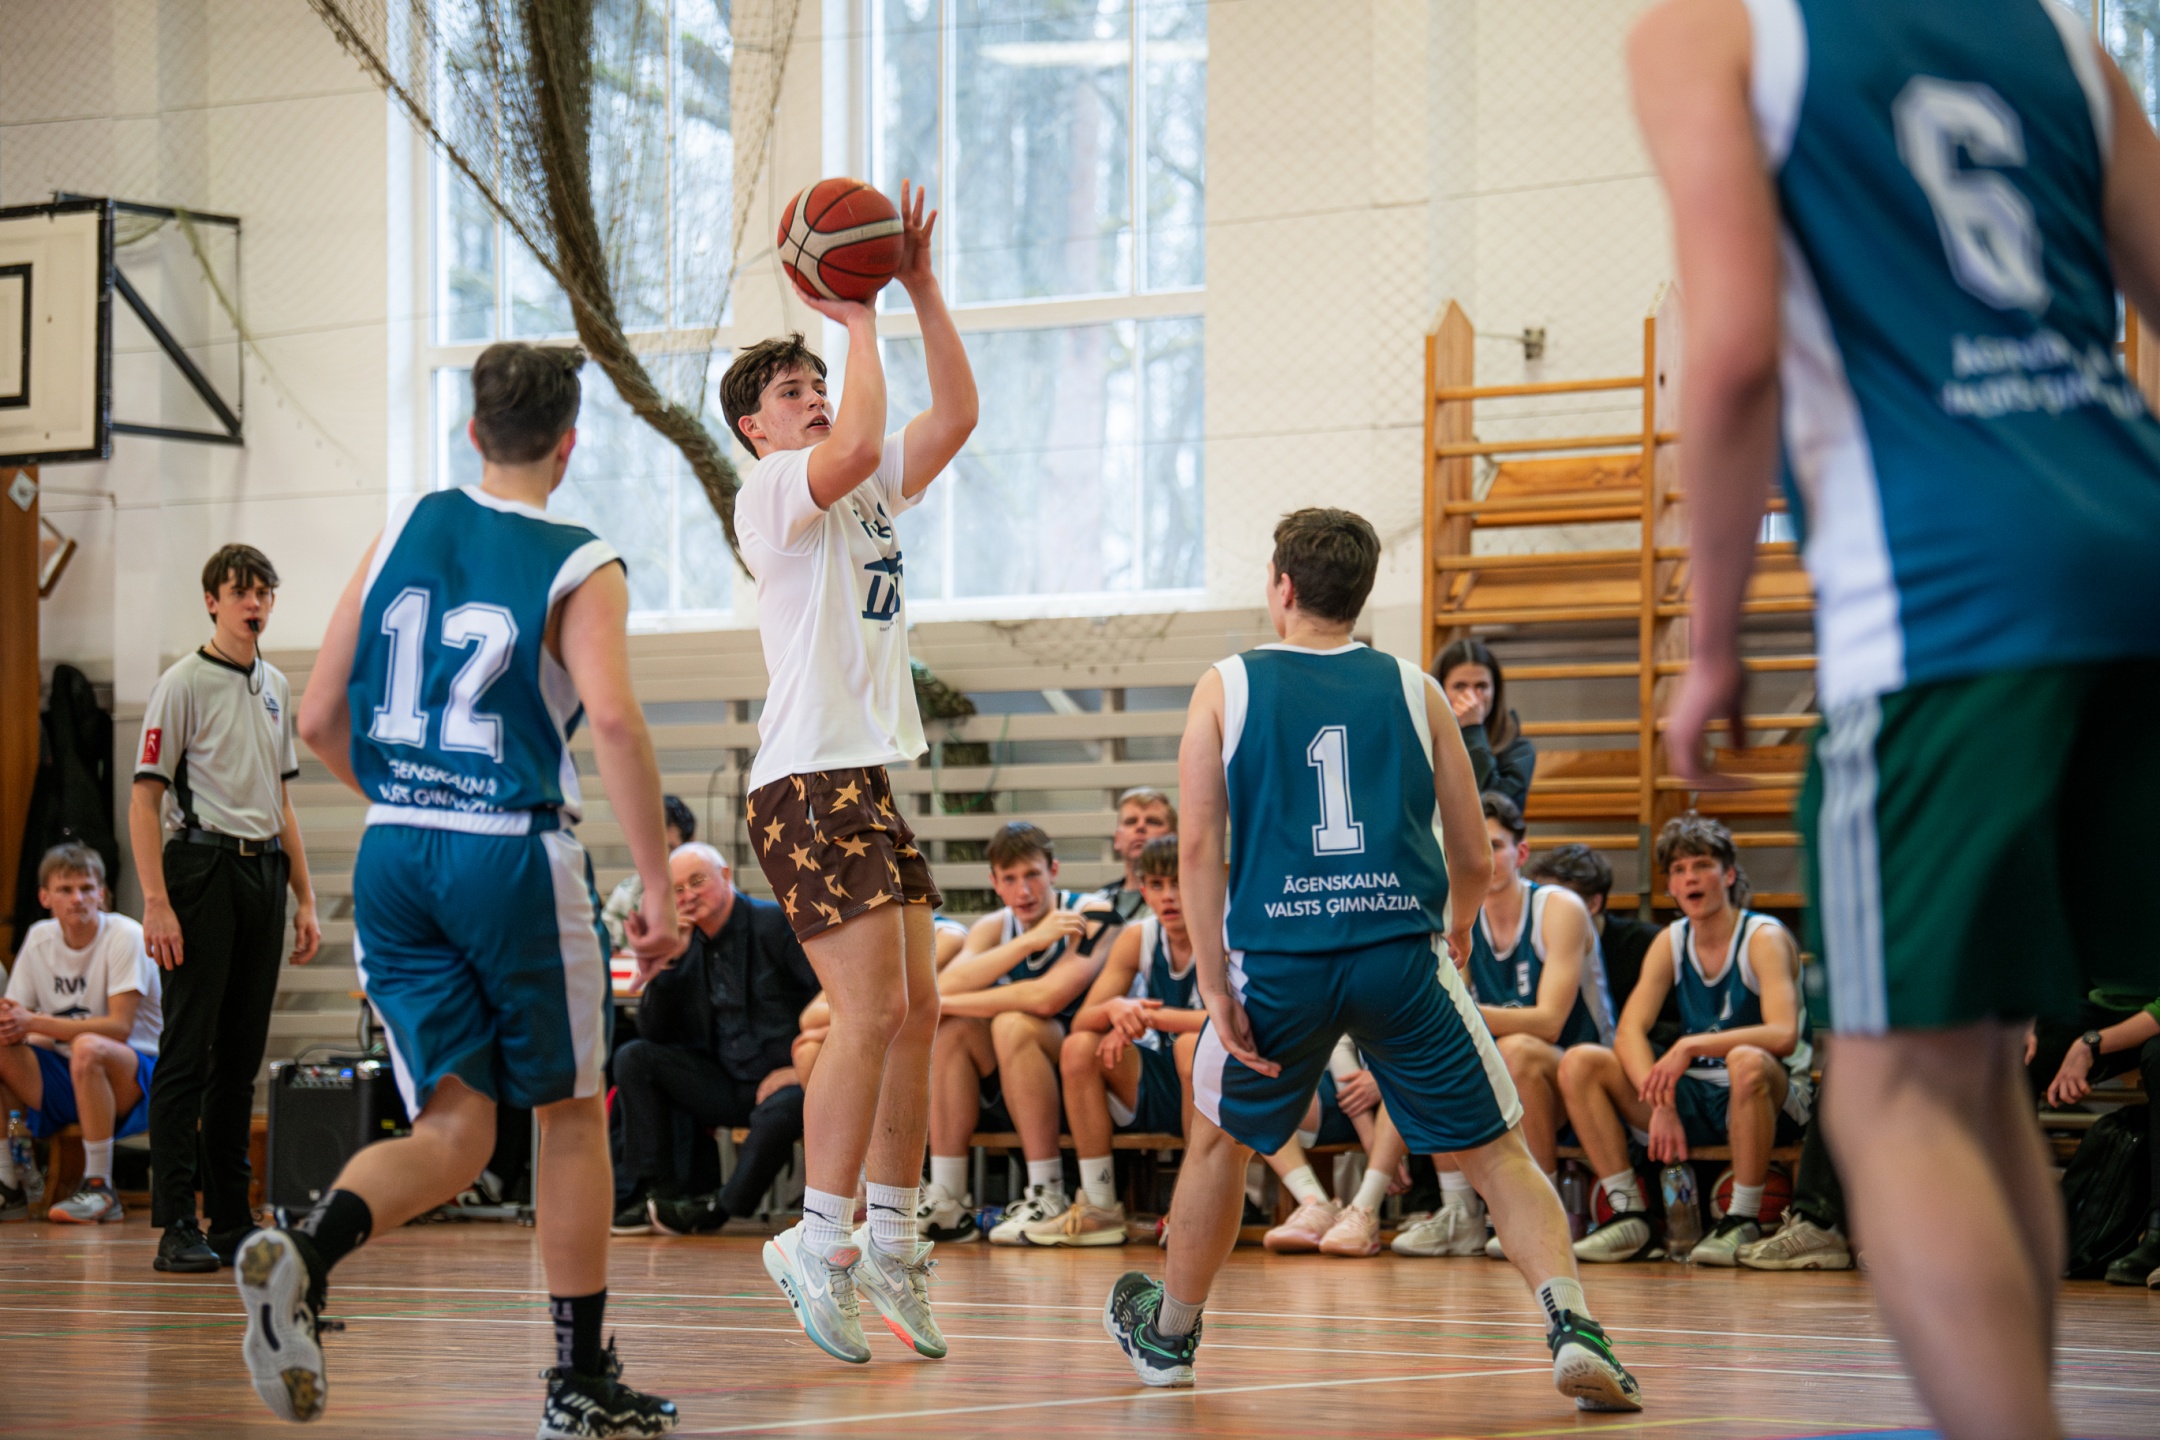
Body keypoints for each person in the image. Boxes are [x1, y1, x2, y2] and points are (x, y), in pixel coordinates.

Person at [1633, 0, 2160, 1430]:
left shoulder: (1715, 34)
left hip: (1943, 604)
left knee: (1891, 1098)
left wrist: (1715, 637)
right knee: (1976, 1075)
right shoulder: (2064, 41)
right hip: (2135, 553)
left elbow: (1732, 352)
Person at [1102, 508, 1640, 1412]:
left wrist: (1213, 982)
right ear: (1362, 593)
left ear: (1282, 586)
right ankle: (1573, 1325)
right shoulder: (1418, 690)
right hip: (1399, 954)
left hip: (1280, 959)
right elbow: (1472, 855)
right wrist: (1456, 927)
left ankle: (1170, 1335)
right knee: (1499, 1152)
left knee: (1220, 1143)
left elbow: (1197, 848)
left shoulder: (1225, 685)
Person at [241, 341, 682, 1437]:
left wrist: (412, 798)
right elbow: (613, 718)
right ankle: (578, 1381)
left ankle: (306, 1252)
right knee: (570, 1112)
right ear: (569, 446)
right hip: (510, 850)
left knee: (458, 1128)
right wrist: (659, 886)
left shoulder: (404, 524)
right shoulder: (581, 560)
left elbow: (315, 718)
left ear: (475, 433)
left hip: (392, 851)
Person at [726, 178, 975, 1366]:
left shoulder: (863, 491)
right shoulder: (773, 491)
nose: (815, 397)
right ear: (755, 430)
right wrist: (858, 311)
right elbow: (867, 436)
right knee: (870, 1015)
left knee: (921, 1013)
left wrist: (918, 286)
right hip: (805, 780)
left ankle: (893, 1239)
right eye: (791, 392)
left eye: (818, 382)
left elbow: (956, 414)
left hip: (858, 774)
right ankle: (815, 1240)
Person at [130, 542, 322, 1274]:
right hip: (201, 868)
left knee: (240, 1058)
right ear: (212, 601)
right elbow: (144, 799)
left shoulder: (275, 683)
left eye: (263, 592)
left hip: (262, 870)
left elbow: (282, 801)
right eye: (240, 591)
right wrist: (156, 902)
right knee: (186, 1051)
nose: (254, 603)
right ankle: (176, 1222)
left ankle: (233, 1217)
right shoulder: (181, 682)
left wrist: (305, 896)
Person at [1559, 814, 1812, 1267]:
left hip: (1773, 1095)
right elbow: (1629, 1031)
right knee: (1581, 1062)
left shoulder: (1764, 937)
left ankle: (1742, 1218)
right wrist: (1660, 1103)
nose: (1690, 877)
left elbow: (1783, 1034)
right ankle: (1630, 1214)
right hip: (1698, 1093)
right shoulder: (1671, 941)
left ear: (1728, 875)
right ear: (1671, 887)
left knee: (1746, 1060)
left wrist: (1690, 1047)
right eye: (1678, 870)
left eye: (1702, 865)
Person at [1394, 795, 1612, 1261]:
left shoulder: (1559, 907)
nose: (1482, 857)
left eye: (1494, 845)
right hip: (1516, 1071)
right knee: (1437, 1049)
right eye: (1469, 847)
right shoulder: (1457, 916)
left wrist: (1456, 1013)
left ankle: (1541, 1212)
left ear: (1522, 852)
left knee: (1517, 1050)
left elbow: (1550, 1023)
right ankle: (1461, 1213)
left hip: (1583, 1071)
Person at [609, 844, 820, 1239]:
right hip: (726, 1081)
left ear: (725, 876)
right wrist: (670, 963)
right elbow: (654, 1033)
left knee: (781, 1110)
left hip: (792, 1078)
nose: (688, 895)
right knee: (634, 1058)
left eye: (697, 881)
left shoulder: (775, 924)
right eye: (677, 889)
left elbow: (832, 1001)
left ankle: (719, 1208)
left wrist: (800, 1070)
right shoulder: (685, 943)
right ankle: (659, 1195)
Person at [921, 822, 1117, 1244]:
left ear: (1054, 871)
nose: (1023, 891)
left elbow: (1048, 998)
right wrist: (1027, 943)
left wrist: (942, 1005)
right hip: (1021, 1070)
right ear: (994, 882)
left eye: (1032, 875)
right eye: (1009, 879)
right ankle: (948, 1198)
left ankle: (1048, 1193)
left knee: (1011, 1023)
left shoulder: (1095, 913)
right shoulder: (994, 927)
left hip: (1093, 1064)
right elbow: (944, 987)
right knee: (952, 1032)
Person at [1024, 834, 1206, 1247]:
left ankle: (1193, 1204)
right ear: (1144, 891)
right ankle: (1100, 1204)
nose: (1168, 896)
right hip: (1163, 1080)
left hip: (1218, 1083)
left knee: (1191, 1046)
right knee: (1079, 1047)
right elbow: (1085, 1019)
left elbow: (1231, 1020)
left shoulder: (1224, 932)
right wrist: (1116, 1009)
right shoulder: (1139, 937)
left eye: (1178, 883)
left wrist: (1144, 1014)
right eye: (1157, 885)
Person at [0, 845, 162, 1224]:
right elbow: (15, 1022)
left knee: (88, 1047)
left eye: (87, 888)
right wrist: (20, 1029)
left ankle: (100, 1186)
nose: (78, 899)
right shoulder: (39, 938)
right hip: (69, 1073)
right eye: (65, 889)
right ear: (45, 897)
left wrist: (34, 1023)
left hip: (136, 1075)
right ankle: (9, 1182)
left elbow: (119, 1027)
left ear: (101, 894)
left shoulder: (125, 935)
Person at [2028, 993, 2160, 1283]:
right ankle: (2012, 1225)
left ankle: (2157, 1234)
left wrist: (2090, 1043)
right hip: (2102, 1009)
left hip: (2153, 1017)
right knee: (2019, 1053)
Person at [789, 915, 970, 1091]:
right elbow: (809, 1017)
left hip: (931, 1023)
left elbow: (908, 1004)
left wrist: (838, 1026)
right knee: (808, 1051)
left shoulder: (946, 936)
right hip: (881, 1024)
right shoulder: (865, 942)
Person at [1526, 843, 1669, 1043]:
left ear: (1593, 904)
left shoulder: (1646, 943)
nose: (1548, 907)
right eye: (1542, 899)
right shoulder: (1533, 943)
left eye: (1559, 898)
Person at [1433, 637, 1535, 811]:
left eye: (1481, 686)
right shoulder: (1423, 741)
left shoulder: (1519, 751)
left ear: (1495, 691)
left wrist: (1472, 730)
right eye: (1459, 686)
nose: (1472, 697)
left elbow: (1490, 807)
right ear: (1440, 689)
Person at [602, 796, 696, 952]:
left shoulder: (706, 893)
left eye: (669, 848)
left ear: (690, 845)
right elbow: (604, 949)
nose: (660, 858)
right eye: (652, 848)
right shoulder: (628, 894)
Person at [1095, 787, 1179, 922]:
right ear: (1117, 839)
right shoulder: (1095, 902)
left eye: (1152, 821)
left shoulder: (1186, 902)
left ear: (1173, 838)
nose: (1140, 827)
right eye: (1131, 822)